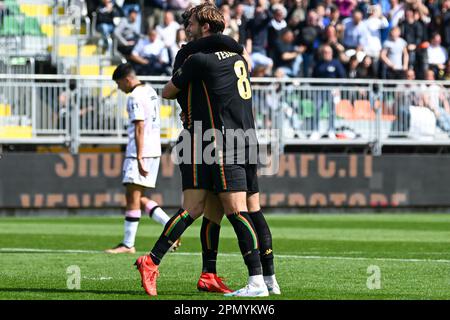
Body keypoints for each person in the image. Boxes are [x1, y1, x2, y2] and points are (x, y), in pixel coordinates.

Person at [134, 2, 273, 297]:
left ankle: (205, 273)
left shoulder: (194, 56)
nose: (187, 29)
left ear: (205, 27)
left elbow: (169, 91)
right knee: (214, 209)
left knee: (211, 211)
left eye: (191, 24)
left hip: (210, 138)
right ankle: (258, 280)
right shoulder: (238, 56)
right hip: (216, 139)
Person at [106, 63, 177, 254]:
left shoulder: (135, 96)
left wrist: (138, 155)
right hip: (154, 148)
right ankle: (170, 226)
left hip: (140, 150)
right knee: (139, 197)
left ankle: (128, 244)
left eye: (119, 84)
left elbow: (139, 126)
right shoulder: (150, 90)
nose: (120, 89)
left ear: (127, 79)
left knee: (132, 197)